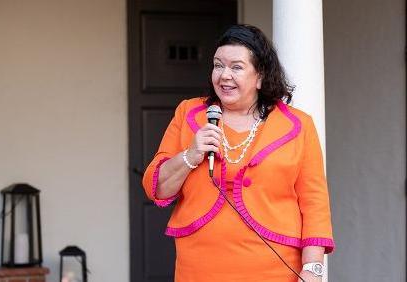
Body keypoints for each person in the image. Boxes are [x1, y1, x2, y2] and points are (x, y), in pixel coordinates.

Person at [142, 24, 334, 282]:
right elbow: (158, 188)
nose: (224, 76)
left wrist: (313, 268)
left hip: (275, 269)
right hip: (199, 267)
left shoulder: (298, 125)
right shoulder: (189, 114)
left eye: (236, 67)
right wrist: (190, 155)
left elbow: (314, 203)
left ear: (260, 76)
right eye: (218, 65)